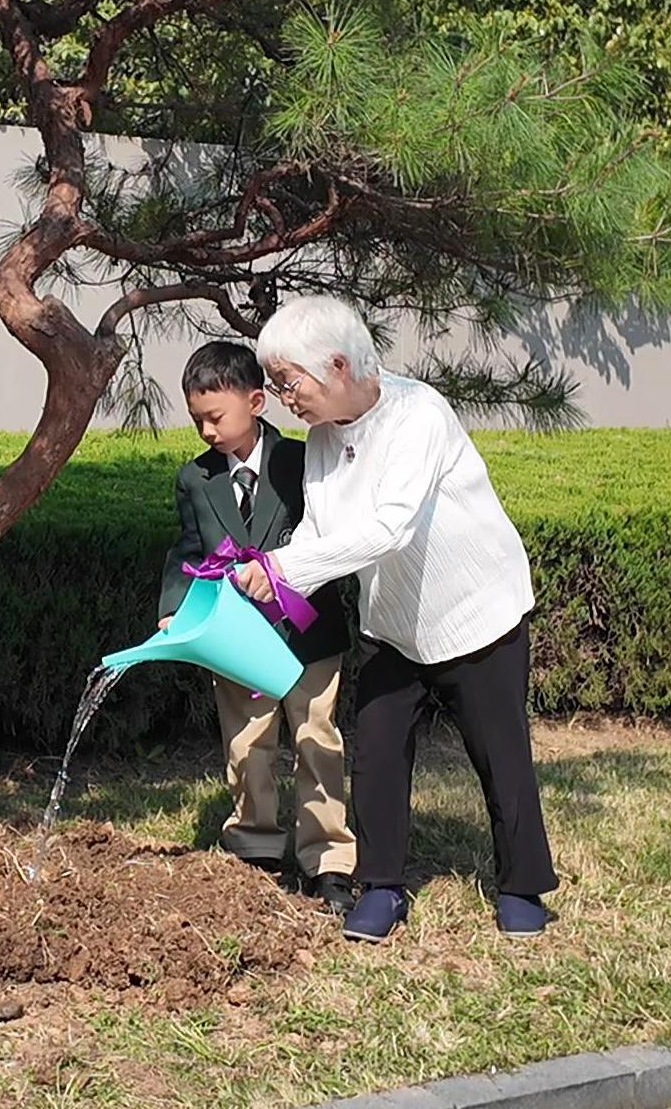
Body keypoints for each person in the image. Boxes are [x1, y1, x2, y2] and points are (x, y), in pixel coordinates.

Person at [241, 295, 556, 943]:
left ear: (336, 364)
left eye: (288, 382)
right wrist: (268, 590)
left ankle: (521, 887)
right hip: (391, 621)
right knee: (378, 752)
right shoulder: (322, 439)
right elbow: (319, 531)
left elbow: (391, 528)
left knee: (500, 753)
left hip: (475, 610)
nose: (283, 399)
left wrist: (281, 567)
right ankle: (381, 886)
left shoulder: (419, 413)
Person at [159, 342, 356, 914]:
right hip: (237, 636)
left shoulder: (302, 460)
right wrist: (175, 605)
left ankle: (329, 858)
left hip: (307, 630)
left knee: (316, 739)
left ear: (256, 401)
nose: (206, 431)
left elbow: (331, 532)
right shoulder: (195, 478)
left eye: (216, 417)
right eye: (197, 419)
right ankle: (256, 845)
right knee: (247, 742)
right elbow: (188, 548)